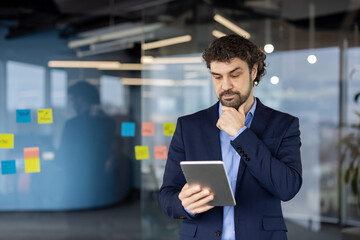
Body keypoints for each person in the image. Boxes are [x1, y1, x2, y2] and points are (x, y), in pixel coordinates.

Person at [158, 34, 302, 240]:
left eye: (234, 75)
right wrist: (184, 204)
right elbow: (166, 196)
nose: (225, 85)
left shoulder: (284, 125)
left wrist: (241, 134)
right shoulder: (188, 126)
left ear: (253, 71)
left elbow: (288, 188)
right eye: (217, 77)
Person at [57, 81, 116, 208]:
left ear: (80, 100)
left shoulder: (72, 125)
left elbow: (62, 156)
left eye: (72, 100)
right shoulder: (109, 123)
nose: (72, 105)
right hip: (103, 186)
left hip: (76, 188)